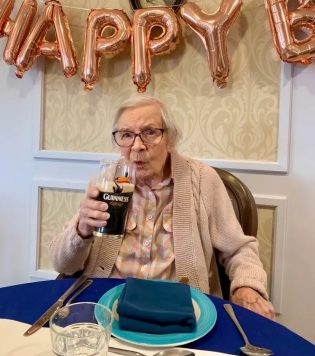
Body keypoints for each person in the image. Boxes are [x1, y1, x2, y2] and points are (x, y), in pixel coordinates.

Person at [50, 95, 276, 320]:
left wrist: (247, 287)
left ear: (171, 138)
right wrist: (82, 230)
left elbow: (238, 249)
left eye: (150, 132)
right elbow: (63, 265)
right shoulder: (109, 181)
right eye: (126, 135)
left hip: (179, 312)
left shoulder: (202, 180)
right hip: (108, 307)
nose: (137, 146)